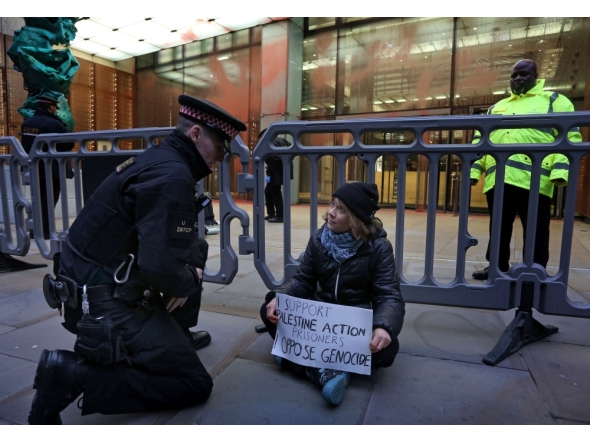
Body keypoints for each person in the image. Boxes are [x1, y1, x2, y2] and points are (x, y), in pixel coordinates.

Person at [28, 95, 246, 424]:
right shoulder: (173, 176)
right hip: (103, 305)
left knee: (194, 247)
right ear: (196, 134)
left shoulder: (159, 158)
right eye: (219, 145)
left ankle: (172, 337)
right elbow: (160, 269)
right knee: (194, 384)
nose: (221, 156)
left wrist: (184, 272)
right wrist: (190, 280)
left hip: (87, 285)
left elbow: (167, 247)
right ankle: (73, 374)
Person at [259, 182, 405, 406]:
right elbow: (303, 280)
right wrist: (279, 296)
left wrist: (383, 326)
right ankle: (325, 370)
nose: (331, 213)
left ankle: (298, 360)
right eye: (332, 205)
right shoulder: (319, 239)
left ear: (356, 218)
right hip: (320, 320)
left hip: (354, 324)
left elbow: (389, 295)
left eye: (341, 209)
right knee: (269, 309)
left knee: (389, 349)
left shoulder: (378, 248)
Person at [470, 59, 582, 280]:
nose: (518, 78)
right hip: (498, 178)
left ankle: (535, 269)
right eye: (514, 75)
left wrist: (559, 172)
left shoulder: (554, 100)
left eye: (524, 74)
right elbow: (480, 141)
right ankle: (496, 267)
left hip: (535, 180)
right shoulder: (497, 107)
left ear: (536, 76)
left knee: (536, 230)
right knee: (499, 228)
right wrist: (475, 171)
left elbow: (570, 137)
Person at [21, 94, 75, 239]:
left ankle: (35, 230)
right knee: (49, 200)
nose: (56, 110)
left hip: (34, 167)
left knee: (37, 200)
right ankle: (45, 230)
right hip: (52, 169)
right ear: (51, 107)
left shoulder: (28, 123)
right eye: (55, 107)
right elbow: (69, 143)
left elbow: (26, 145)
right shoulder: (54, 124)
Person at [260, 129, 292, 223]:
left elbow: (273, 160)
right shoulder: (282, 140)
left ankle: (280, 216)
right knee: (269, 191)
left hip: (276, 172)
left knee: (276, 192)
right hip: (284, 170)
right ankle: (271, 213)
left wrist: (269, 173)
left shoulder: (271, 142)